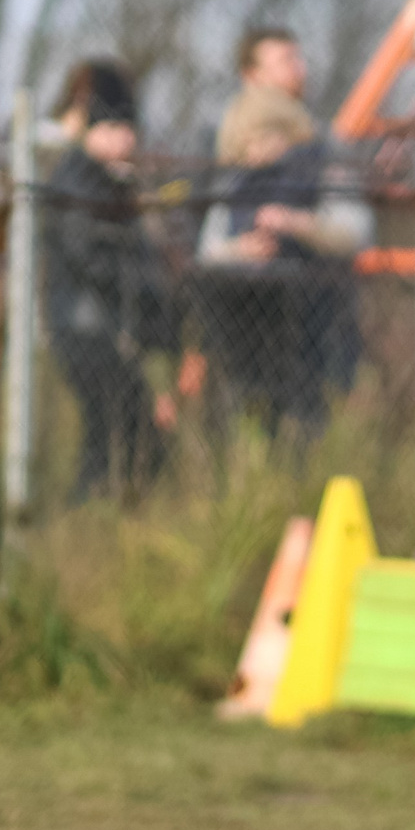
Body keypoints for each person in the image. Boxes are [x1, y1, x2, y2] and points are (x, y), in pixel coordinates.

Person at [196, 27, 370, 445]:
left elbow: (356, 231)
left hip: (317, 326)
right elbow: (208, 248)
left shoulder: (326, 149)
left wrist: (299, 225)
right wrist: (240, 251)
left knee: (308, 434)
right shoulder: (229, 153)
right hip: (244, 331)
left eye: (299, 59)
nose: (300, 71)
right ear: (250, 77)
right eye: (284, 62)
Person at [43, 61, 167, 500]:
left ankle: (101, 510)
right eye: (112, 128)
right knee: (114, 430)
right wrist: (150, 293)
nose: (124, 139)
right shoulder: (81, 180)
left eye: (128, 128)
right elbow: (93, 259)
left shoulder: (111, 180)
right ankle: (89, 511)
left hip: (101, 327)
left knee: (119, 431)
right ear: (90, 131)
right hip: (87, 328)